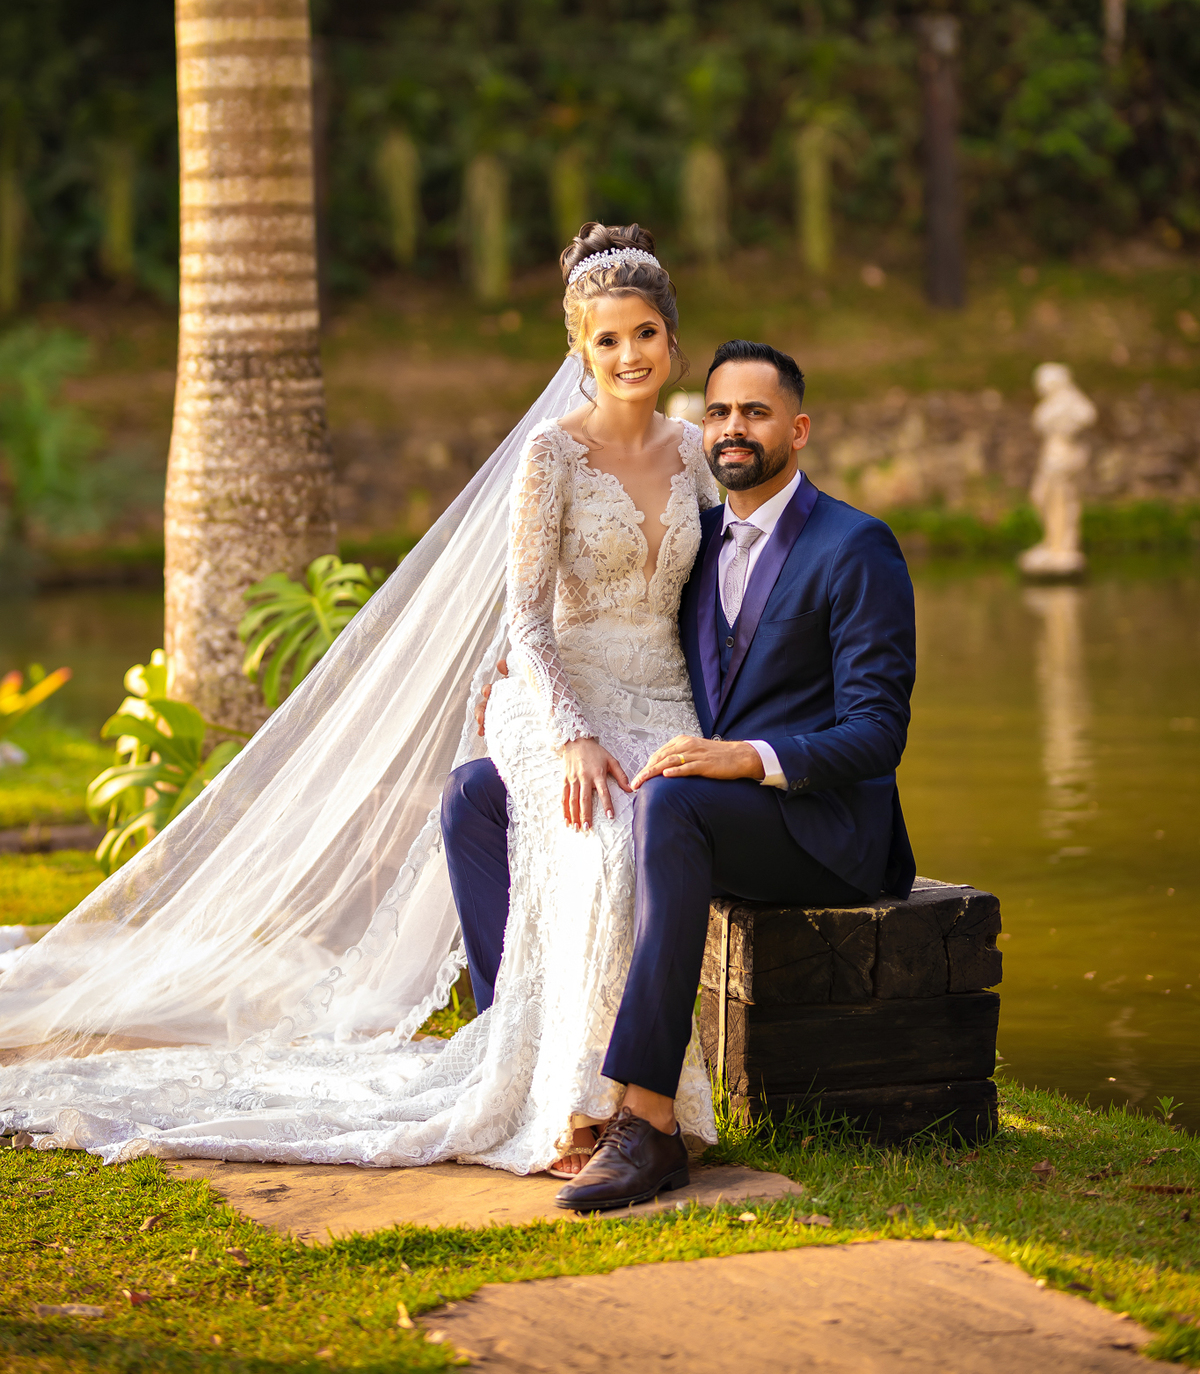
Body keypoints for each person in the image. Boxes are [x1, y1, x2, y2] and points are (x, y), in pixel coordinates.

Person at [0, 223, 717, 1177]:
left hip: (661, 697)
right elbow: (525, 622)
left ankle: (637, 1101)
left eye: (645, 334)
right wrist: (574, 735)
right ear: (579, 350)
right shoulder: (553, 454)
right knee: (601, 841)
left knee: (657, 832)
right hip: (559, 697)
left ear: (672, 337)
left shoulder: (696, 451)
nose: (629, 356)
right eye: (607, 339)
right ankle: (578, 1104)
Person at [445, 335, 917, 1210]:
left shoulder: (856, 546)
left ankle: (648, 1120)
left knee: (668, 805)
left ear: (798, 430)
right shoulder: (698, 543)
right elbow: (611, 629)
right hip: (709, 803)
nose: (734, 428)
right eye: (721, 412)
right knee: (477, 796)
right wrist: (520, 683)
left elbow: (879, 732)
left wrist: (750, 758)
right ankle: (515, 1062)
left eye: (756, 413)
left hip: (820, 828)